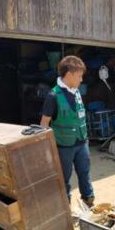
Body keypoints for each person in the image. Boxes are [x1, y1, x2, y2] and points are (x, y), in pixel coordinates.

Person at [41, 55, 94, 207]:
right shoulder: (53, 96)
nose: (81, 79)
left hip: (82, 142)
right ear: (69, 74)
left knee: (84, 173)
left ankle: (89, 201)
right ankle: (66, 207)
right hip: (64, 146)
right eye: (79, 76)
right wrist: (47, 150)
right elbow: (44, 124)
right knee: (64, 177)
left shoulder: (76, 92)